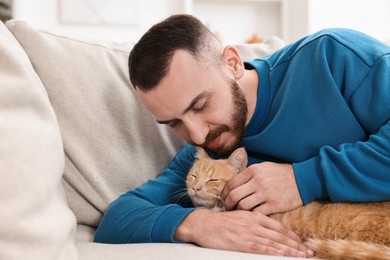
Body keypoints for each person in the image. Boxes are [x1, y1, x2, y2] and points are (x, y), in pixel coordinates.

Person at [94, 14, 390, 257]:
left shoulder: (332, 56)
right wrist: (197, 223)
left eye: (200, 105)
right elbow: (117, 219)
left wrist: (303, 179)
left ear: (233, 63)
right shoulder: (210, 153)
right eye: (174, 123)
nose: (196, 134)